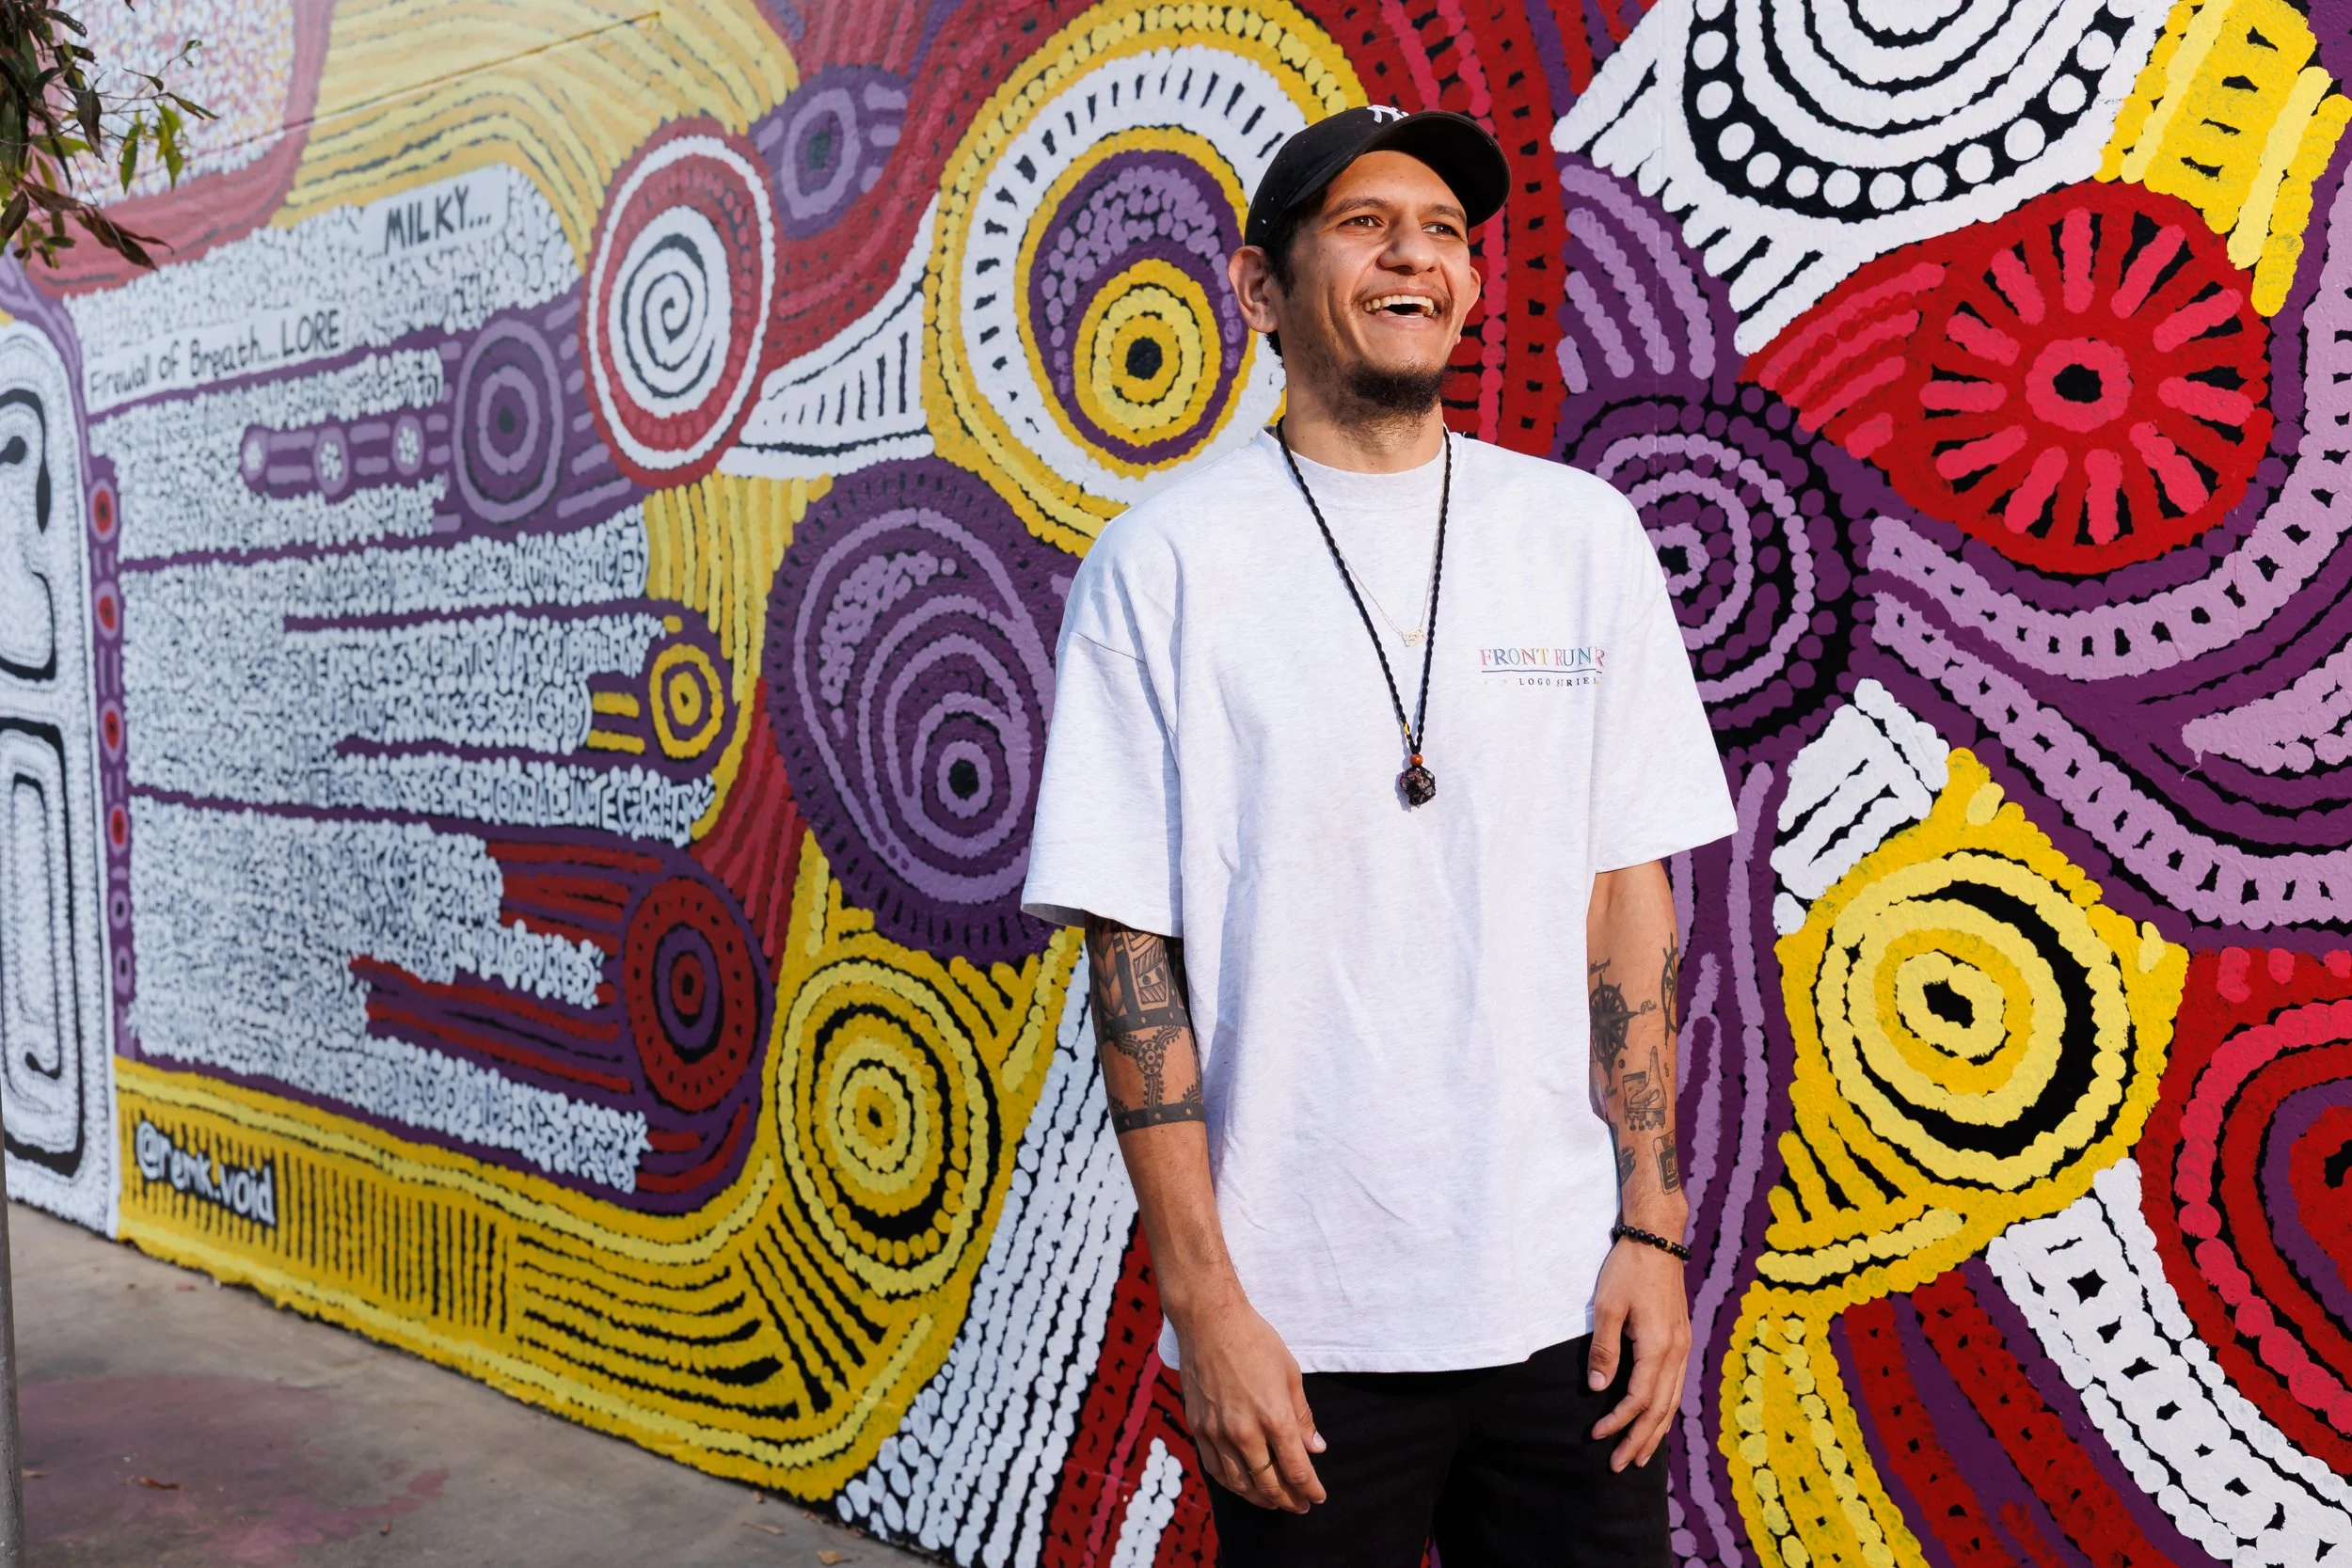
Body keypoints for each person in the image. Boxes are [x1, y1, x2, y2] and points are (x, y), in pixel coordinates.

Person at [1021, 104, 1738, 1566]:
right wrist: (1204, 1302)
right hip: (1303, 1323)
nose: (1415, 254)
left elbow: (1627, 900)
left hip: (1568, 1305)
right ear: (1260, 287)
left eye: (1445, 232)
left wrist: (1654, 1232)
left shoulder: (1580, 538)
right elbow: (1131, 957)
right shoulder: (1163, 564)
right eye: (1364, 224)